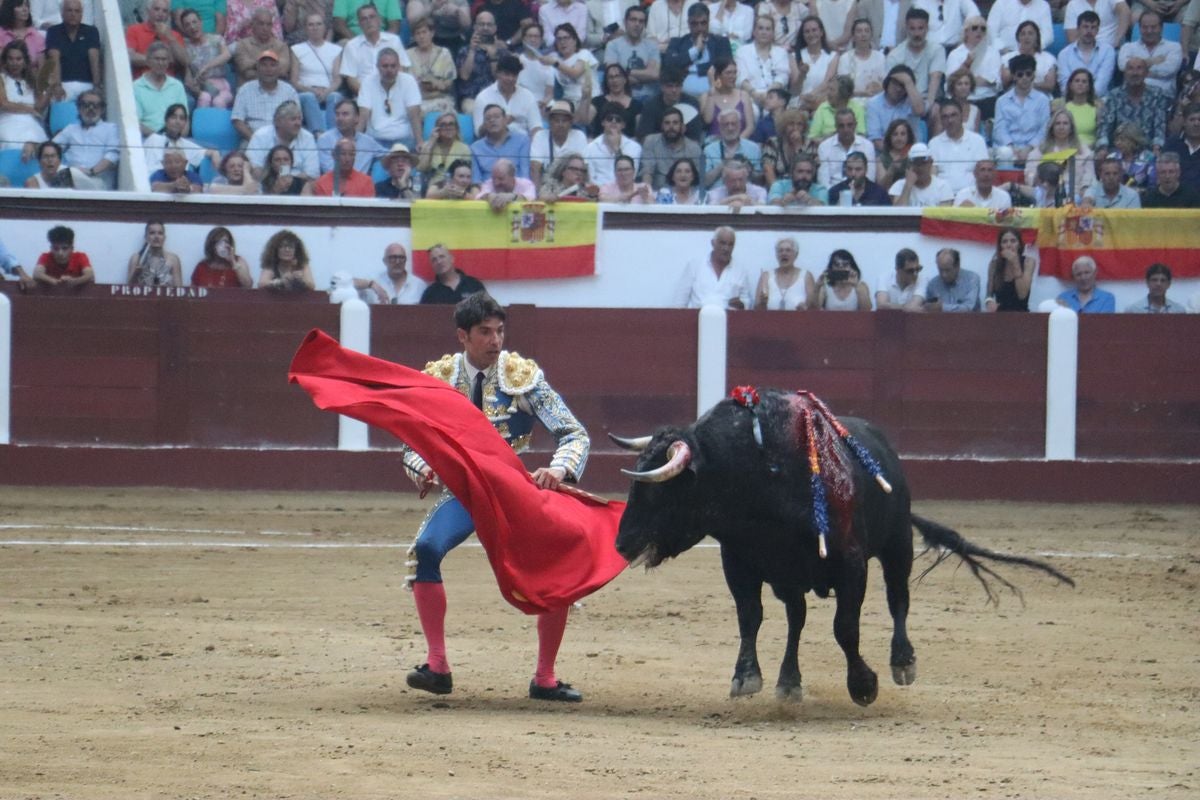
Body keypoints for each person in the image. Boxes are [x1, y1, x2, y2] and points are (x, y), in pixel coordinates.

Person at [400, 291, 592, 703]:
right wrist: (424, 467)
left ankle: (545, 677)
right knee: (426, 549)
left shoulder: (521, 376)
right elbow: (411, 440)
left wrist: (558, 469)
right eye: (485, 332)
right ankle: (437, 666)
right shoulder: (438, 379)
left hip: (510, 491)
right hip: (464, 493)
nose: (495, 341)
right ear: (462, 337)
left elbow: (574, 433)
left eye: (500, 331)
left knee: (555, 563)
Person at [1094, 57, 1170, 155]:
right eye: (1130, 68)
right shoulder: (1114, 95)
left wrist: (1157, 147)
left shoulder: (1157, 95)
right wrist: (1103, 148)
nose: (1135, 73)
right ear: (1125, 73)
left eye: (1139, 68)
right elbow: (1105, 125)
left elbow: (1160, 124)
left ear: (1146, 73)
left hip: (1148, 150)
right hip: (1119, 150)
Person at [47, 88, 118, 189]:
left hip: (97, 181)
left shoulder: (110, 129)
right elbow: (51, 148)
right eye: (86, 105)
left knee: (67, 173)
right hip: (71, 178)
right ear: (79, 108)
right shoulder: (71, 129)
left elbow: (112, 156)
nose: (91, 109)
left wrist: (91, 171)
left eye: (96, 106)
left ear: (102, 110)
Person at [884, 8, 944, 119]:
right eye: (912, 29)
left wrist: (927, 107)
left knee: (937, 110)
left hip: (929, 100)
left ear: (927, 29)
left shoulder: (937, 50)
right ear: (906, 29)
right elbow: (891, 89)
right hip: (903, 101)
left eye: (920, 28)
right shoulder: (895, 55)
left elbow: (935, 78)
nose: (917, 34)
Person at [289, 13, 344, 133]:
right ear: (305, 28)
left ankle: (333, 134)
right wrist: (312, 91)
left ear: (325, 27)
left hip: (328, 90)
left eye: (319, 24)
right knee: (308, 97)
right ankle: (319, 134)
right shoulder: (296, 49)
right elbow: (294, 80)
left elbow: (337, 79)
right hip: (306, 91)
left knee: (336, 97)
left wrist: (326, 92)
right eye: (311, 25)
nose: (315, 28)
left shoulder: (335, 50)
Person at [673, 226, 752, 309]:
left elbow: (747, 302)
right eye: (723, 243)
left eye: (730, 244)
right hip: (698, 319)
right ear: (713, 243)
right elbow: (679, 302)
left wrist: (742, 305)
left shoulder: (741, 271)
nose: (726, 248)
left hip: (729, 320)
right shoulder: (695, 266)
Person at [358, 47, 423, 149]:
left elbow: (414, 114)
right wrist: (355, 141)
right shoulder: (368, 81)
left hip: (404, 140)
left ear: (399, 67)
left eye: (393, 66)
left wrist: (419, 142)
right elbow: (364, 114)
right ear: (377, 67)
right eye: (385, 66)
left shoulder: (409, 81)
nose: (389, 70)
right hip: (375, 140)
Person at [339, 3, 407, 98]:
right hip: (364, 97)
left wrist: (389, 93)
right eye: (364, 19)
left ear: (379, 20)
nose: (369, 21)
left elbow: (402, 70)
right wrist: (369, 96)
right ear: (359, 24)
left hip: (393, 94)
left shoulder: (394, 41)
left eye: (372, 17)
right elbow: (351, 80)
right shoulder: (351, 46)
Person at [231, 49, 300, 141]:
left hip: (283, 140)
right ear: (257, 68)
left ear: (279, 69)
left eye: (273, 65)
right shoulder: (245, 90)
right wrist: (255, 140)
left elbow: (296, 119)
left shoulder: (289, 91)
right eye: (264, 65)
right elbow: (237, 121)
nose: (268, 69)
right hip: (252, 139)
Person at [664, 3, 732, 97]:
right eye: (694, 24)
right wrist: (695, 50)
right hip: (683, 97)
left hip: (716, 95)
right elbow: (669, 66)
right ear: (688, 23)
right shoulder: (677, 43)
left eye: (703, 23)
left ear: (708, 22)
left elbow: (724, 67)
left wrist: (693, 68)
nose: (699, 28)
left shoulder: (721, 42)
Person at [944, 16, 1002, 124]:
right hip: (961, 101)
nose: (979, 31)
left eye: (983, 28)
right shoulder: (955, 54)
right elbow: (951, 82)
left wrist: (966, 81)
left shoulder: (993, 53)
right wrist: (967, 64)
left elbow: (995, 82)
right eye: (975, 28)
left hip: (987, 100)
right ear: (966, 32)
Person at [992, 53, 1050, 162]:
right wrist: (1012, 148)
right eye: (1020, 74)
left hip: (1034, 148)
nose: (1025, 78)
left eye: (1028, 74)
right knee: (1004, 154)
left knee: (1037, 155)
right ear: (1013, 76)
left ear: (1033, 75)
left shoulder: (1043, 100)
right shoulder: (1002, 101)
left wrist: (1029, 148)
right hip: (1009, 149)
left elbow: (1044, 129)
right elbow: (1000, 129)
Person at [1023, 108, 1094, 196]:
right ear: (1052, 128)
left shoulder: (1084, 151)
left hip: (1075, 195)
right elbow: (1029, 175)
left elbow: (1088, 177)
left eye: (1065, 123)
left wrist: (1084, 191)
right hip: (1046, 194)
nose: (1061, 127)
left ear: (1071, 128)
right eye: (1057, 123)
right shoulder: (1040, 150)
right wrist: (1037, 179)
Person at [927, 98, 989, 193]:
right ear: (941, 120)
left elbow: (983, 173)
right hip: (943, 196)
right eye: (945, 117)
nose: (950, 120)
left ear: (962, 117)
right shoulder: (934, 143)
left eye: (954, 115)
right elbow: (932, 176)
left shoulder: (977, 141)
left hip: (972, 195)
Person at [44, 0, 101, 102]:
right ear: (62, 13)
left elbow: (94, 58)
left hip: (86, 85)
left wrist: (96, 85)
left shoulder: (91, 31)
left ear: (81, 14)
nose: (73, 14)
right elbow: (54, 58)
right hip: (63, 84)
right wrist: (57, 85)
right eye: (69, 10)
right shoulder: (53, 31)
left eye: (77, 11)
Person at [246, 100, 319, 180]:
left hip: (298, 186)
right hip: (266, 185)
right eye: (293, 119)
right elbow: (253, 168)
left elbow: (313, 174)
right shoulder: (261, 135)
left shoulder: (307, 137)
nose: (298, 123)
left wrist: (286, 179)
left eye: (299, 119)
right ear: (278, 121)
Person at [455, 12, 509, 114]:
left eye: (489, 25)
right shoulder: (464, 50)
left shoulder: (503, 53)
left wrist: (493, 57)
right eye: (481, 24)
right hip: (471, 98)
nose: (485, 28)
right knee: (472, 110)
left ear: (495, 28)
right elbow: (464, 76)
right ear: (475, 27)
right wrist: (472, 50)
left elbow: (501, 80)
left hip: (497, 98)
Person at [180, 8, 233, 109]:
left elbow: (227, 55)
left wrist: (207, 66)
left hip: (221, 86)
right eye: (187, 25)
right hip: (202, 87)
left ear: (201, 22)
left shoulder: (216, 39)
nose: (192, 27)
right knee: (204, 97)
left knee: (219, 101)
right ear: (184, 29)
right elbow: (187, 73)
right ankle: (202, 124)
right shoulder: (186, 46)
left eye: (194, 22)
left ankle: (219, 124)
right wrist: (193, 86)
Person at [1117, 11, 1181, 95]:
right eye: (1145, 27)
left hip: (1162, 96)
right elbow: (1122, 66)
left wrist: (1135, 70)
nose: (1149, 31)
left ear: (1161, 28)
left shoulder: (1174, 47)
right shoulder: (1128, 47)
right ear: (1139, 28)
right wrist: (1152, 61)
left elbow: (1169, 70)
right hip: (1132, 95)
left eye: (1153, 27)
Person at [1055, 11, 1116, 98]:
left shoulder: (1107, 51)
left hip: (1098, 101)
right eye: (1085, 27)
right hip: (1071, 100)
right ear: (1078, 29)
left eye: (1093, 27)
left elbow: (1102, 83)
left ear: (1098, 30)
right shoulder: (1064, 54)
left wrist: (1085, 100)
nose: (1089, 31)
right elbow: (1065, 85)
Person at [133, 42, 189, 136]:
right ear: (148, 61)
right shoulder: (136, 87)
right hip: (148, 139)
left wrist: (180, 140)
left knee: (210, 150)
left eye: (164, 59)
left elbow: (185, 119)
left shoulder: (177, 86)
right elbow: (136, 123)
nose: (161, 63)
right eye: (157, 59)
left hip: (175, 139)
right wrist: (160, 140)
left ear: (168, 62)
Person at [604, 5, 659, 101]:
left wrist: (627, 72)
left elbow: (654, 74)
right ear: (625, 22)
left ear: (644, 25)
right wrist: (643, 76)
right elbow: (613, 76)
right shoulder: (613, 45)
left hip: (649, 98)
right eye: (633, 20)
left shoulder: (652, 46)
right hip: (622, 98)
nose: (637, 24)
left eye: (641, 21)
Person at [635, 65, 703, 142]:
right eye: (670, 86)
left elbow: (695, 136)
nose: (674, 90)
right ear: (662, 87)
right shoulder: (650, 106)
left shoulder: (692, 103)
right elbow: (644, 137)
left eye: (677, 86)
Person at [0, 40, 48, 149]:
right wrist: (30, 110)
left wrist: (48, 90)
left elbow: (39, 107)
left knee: (40, 142)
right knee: (12, 142)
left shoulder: (31, 80)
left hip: (31, 122)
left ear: (25, 61)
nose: (14, 63)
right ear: (5, 60)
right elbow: (3, 103)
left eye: (18, 59)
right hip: (8, 121)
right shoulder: (1, 78)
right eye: (10, 59)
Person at [735, 17, 789, 110]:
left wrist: (768, 94)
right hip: (749, 97)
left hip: (775, 98)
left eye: (768, 29)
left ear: (773, 33)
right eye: (760, 28)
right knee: (752, 111)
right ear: (754, 32)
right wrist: (754, 93)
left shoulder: (781, 52)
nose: (764, 32)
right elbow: (741, 78)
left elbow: (783, 77)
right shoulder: (742, 51)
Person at [866, 65, 924, 152]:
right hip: (886, 154)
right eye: (895, 84)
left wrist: (908, 82)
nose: (898, 89)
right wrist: (895, 155)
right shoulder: (873, 104)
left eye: (902, 85)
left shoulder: (912, 101)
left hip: (912, 152)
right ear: (887, 82)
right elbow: (876, 140)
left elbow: (920, 111)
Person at [318, 98, 384, 175]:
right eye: (337, 114)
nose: (340, 118)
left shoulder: (368, 142)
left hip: (362, 185)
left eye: (345, 114)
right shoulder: (325, 140)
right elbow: (330, 172)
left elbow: (388, 154)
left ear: (356, 118)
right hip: (336, 185)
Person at [406, 16, 456, 115]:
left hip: (440, 99)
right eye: (417, 33)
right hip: (416, 100)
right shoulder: (407, 55)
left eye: (424, 32)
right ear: (414, 37)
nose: (421, 36)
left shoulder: (444, 53)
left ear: (432, 33)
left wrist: (439, 84)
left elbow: (449, 82)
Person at [126, 0, 188, 79]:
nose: (160, 14)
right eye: (156, 9)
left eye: (164, 11)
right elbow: (131, 57)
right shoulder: (134, 30)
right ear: (148, 11)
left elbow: (184, 61)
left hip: (168, 84)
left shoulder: (175, 35)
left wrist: (169, 37)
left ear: (168, 15)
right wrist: (164, 61)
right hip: (142, 83)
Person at [470, 102, 531, 182]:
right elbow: (476, 180)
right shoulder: (475, 148)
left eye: (496, 117)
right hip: (488, 191)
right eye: (488, 118)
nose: (492, 120)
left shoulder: (522, 140)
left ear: (505, 120)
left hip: (516, 190)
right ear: (484, 124)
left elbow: (525, 174)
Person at [583, 102, 641, 185]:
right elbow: (590, 178)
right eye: (609, 119)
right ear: (603, 122)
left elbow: (631, 177)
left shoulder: (635, 147)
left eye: (618, 120)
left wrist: (616, 149)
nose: (613, 121)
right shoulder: (590, 147)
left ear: (623, 125)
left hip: (624, 191)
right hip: (599, 193)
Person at [816, 107, 873, 187]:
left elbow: (870, 178)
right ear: (836, 127)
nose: (846, 129)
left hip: (861, 192)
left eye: (849, 125)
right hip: (833, 193)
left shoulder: (867, 146)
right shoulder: (824, 147)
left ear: (855, 125)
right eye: (841, 126)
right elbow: (823, 182)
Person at [755, 236, 815, 311]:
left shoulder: (806, 276)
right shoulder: (766, 276)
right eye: (780, 251)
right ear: (776, 255)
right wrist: (762, 303)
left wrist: (804, 308)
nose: (784, 253)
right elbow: (757, 310)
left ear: (796, 254)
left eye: (788, 250)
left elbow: (813, 308)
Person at [760, 106, 815, 188]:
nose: (795, 128)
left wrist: (798, 147)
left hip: (804, 188)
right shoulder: (772, 143)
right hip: (777, 187)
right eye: (791, 124)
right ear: (783, 126)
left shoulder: (810, 144)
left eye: (799, 124)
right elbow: (768, 169)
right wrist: (776, 191)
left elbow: (809, 170)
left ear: (804, 127)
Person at [355, 242, 426, 303]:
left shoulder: (419, 285)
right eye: (393, 258)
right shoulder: (375, 281)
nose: (397, 262)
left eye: (401, 258)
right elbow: (347, 284)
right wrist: (371, 284)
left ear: (405, 260)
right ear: (384, 261)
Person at [233, 6, 290, 83]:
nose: (265, 28)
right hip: (249, 89)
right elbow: (246, 71)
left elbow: (283, 70)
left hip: (276, 91)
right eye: (261, 24)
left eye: (268, 24)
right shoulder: (242, 45)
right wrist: (271, 66)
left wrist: (255, 65)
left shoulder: (281, 46)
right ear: (253, 25)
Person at [833, 18, 886, 100]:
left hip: (877, 101)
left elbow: (886, 84)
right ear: (853, 37)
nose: (863, 34)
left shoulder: (880, 57)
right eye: (859, 31)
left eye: (867, 31)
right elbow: (843, 89)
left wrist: (878, 88)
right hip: (852, 102)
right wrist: (864, 93)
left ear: (871, 35)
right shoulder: (845, 58)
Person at [1000, 19, 1056, 96]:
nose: (1027, 37)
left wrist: (1026, 85)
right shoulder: (1007, 58)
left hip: (1041, 99)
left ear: (1037, 37)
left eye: (1030, 33)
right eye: (1023, 34)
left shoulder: (1048, 59)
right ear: (1018, 38)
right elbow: (1005, 83)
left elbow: (1050, 85)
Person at [984, 227, 1034, 312]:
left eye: (1013, 241)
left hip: (1022, 314)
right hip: (1000, 315)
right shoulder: (994, 264)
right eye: (1004, 242)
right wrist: (989, 302)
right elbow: (989, 294)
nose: (1009, 245)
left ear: (1019, 245)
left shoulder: (1028, 262)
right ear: (1000, 246)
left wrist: (1015, 263)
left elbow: (1022, 295)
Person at [791, 16, 836, 111]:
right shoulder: (794, 56)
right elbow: (795, 90)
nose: (811, 34)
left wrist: (811, 95)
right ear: (803, 35)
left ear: (821, 32)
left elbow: (827, 83)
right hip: (799, 102)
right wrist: (801, 75)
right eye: (807, 31)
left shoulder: (832, 56)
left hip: (822, 100)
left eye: (814, 30)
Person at [416, 110, 471, 186]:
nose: (448, 127)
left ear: (456, 128)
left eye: (451, 124)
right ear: (437, 129)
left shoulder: (464, 149)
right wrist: (431, 143)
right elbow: (421, 168)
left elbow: (467, 175)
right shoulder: (428, 145)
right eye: (443, 125)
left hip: (456, 188)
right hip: (432, 189)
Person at [889, 141, 953, 207]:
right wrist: (908, 186)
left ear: (930, 163)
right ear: (909, 165)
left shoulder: (943, 187)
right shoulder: (899, 186)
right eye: (916, 163)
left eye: (923, 163)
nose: (919, 167)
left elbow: (943, 216)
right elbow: (898, 215)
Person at [548, 22, 596, 107]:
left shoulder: (584, 53)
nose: (562, 42)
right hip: (568, 101)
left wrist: (555, 63)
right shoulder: (556, 58)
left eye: (566, 38)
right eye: (559, 39)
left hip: (589, 99)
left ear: (574, 40)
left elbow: (575, 73)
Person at [420, 244, 487, 304]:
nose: (439, 262)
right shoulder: (430, 294)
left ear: (452, 259)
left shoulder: (474, 285)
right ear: (432, 266)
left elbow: (488, 312)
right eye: (434, 260)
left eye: (442, 256)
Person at [589, 62, 642, 137]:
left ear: (625, 79)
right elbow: (584, 121)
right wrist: (585, 98)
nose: (614, 80)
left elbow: (639, 132)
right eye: (610, 77)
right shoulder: (597, 101)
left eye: (618, 76)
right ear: (606, 81)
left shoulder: (637, 105)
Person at [808, 75, 865, 143]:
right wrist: (831, 140)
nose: (828, 93)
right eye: (828, 89)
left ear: (843, 93)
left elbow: (861, 136)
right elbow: (812, 137)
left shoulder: (857, 109)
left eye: (832, 90)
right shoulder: (823, 108)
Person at [34, 224, 93, 289]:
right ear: (51, 248)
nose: (60, 253)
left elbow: (90, 275)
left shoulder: (80, 257)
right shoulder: (45, 256)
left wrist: (74, 281)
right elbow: (37, 273)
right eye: (56, 248)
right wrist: (54, 281)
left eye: (64, 248)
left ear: (72, 248)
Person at [126, 221, 183, 287]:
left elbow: (179, 290)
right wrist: (136, 273)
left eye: (160, 233)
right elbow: (128, 290)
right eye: (152, 233)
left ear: (164, 237)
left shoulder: (173, 259)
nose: (156, 237)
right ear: (146, 237)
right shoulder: (136, 258)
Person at [259, 229, 316, 293]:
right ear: (275, 250)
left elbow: (311, 285)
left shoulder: (302, 264)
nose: (287, 250)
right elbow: (262, 284)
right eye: (282, 246)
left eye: (291, 247)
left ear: (296, 251)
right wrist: (281, 281)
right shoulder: (271, 264)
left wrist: (300, 280)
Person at [986, 0, 1053, 54]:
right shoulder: (1001, 3)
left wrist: (1034, 48)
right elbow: (990, 31)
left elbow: (1048, 35)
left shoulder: (1043, 5)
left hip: (1032, 54)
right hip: (1003, 53)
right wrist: (1002, 48)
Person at [925, 247, 981, 312]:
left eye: (947, 270)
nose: (944, 275)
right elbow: (928, 309)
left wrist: (942, 307)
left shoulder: (972, 279)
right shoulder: (933, 284)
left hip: (969, 321)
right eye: (940, 270)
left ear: (958, 266)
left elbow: (968, 308)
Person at [827, 150, 891, 206]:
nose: (853, 174)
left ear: (866, 170)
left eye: (858, 169)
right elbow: (832, 217)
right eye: (849, 169)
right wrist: (847, 196)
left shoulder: (879, 193)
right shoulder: (835, 191)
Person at [1060, 67, 1102, 148]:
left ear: (1089, 86)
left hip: (1091, 150)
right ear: (1071, 85)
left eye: (1084, 81)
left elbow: (1100, 135)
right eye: (1077, 81)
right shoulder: (1063, 108)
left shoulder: (1097, 109)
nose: (1080, 84)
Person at [875, 248, 928, 312]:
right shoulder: (884, 278)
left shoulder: (923, 280)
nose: (915, 274)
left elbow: (913, 307)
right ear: (898, 270)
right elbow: (881, 305)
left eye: (918, 269)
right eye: (910, 271)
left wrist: (891, 306)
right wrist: (905, 307)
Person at [1162, 103, 1200, 188]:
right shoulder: (1172, 144)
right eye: (1192, 120)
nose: (1196, 124)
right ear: (1184, 122)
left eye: (1199, 120)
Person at [1063, 0, 1129, 48]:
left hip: (1112, 48)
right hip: (1085, 50)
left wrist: (1117, 40)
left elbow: (1125, 12)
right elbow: (1072, 38)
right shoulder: (1072, 5)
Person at [0, 0, 45, 68]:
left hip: (30, 77)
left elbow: (42, 68)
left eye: (27, 5)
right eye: (19, 6)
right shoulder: (1, 33)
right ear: (10, 8)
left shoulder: (36, 36)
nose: (25, 9)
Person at [876, 117, 915, 189]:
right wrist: (892, 169)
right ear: (889, 137)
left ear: (908, 136)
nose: (899, 138)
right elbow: (881, 188)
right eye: (895, 134)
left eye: (903, 134)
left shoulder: (914, 156)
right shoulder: (881, 159)